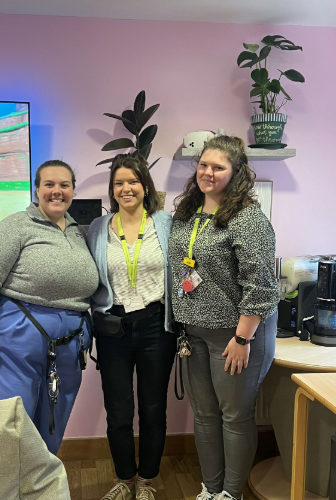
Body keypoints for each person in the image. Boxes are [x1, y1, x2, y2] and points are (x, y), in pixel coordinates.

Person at [169, 135, 279, 500]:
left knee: (234, 416)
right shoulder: (187, 213)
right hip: (193, 335)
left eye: (218, 167)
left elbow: (260, 286)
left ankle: (231, 494)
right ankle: (210, 489)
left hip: (235, 338)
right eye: (203, 165)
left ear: (236, 173)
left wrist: (243, 338)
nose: (208, 172)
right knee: (204, 416)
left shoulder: (248, 219)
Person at [0, 159, 99, 454]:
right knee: (12, 422)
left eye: (64, 185)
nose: (57, 191)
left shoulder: (80, 233)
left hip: (70, 342)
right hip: (16, 341)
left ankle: (40, 486)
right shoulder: (15, 226)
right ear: (36, 189)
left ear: (73, 190)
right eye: (49, 185)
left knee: (53, 420)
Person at [86, 154, 175, 500]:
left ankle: (147, 481)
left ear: (145, 186)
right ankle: (124, 478)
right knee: (118, 410)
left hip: (157, 327)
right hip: (113, 330)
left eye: (133, 181)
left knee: (153, 408)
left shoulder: (166, 223)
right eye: (119, 183)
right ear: (112, 189)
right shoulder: (98, 227)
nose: (126, 188)